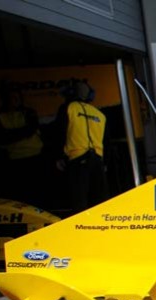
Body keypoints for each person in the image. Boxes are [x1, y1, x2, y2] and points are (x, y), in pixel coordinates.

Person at [55, 81, 108, 214]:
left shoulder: (68, 108)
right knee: (100, 202)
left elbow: (60, 133)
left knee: (79, 202)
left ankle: (81, 230)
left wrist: (58, 156)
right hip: (98, 160)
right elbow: (106, 141)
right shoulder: (99, 114)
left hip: (77, 160)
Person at [0, 83, 45, 206]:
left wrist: (13, 134)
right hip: (16, 159)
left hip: (35, 156)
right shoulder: (0, 116)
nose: (16, 100)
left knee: (39, 191)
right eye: (12, 97)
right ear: (5, 99)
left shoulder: (29, 112)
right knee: (22, 194)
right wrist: (19, 133)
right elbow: (1, 138)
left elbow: (30, 129)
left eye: (17, 97)